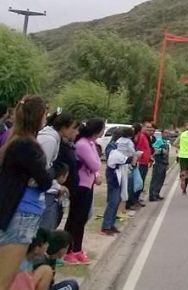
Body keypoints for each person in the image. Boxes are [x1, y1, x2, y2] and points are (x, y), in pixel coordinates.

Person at [0, 95, 51, 289]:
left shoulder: (14, 141)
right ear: (38, 116)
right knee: (5, 280)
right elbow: (45, 181)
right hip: (21, 215)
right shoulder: (27, 145)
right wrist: (44, 176)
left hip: (16, 213)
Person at [62, 118, 104, 265]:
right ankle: (68, 251)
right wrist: (96, 170)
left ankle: (77, 249)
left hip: (88, 184)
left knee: (82, 218)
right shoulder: (83, 145)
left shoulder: (90, 143)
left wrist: (96, 173)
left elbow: (95, 165)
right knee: (76, 219)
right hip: (80, 185)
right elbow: (95, 163)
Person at [37, 111, 78, 231]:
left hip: (47, 188)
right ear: (64, 127)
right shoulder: (50, 140)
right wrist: (57, 186)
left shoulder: (55, 138)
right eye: (73, 128)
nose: (75, 132)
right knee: (45, 229)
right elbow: (42, 169)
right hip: (43, 192)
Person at [103, 127, 139, 236]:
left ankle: (111, 224)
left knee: (118, 200)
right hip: (113, 175)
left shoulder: (116, 145)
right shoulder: (111, 146)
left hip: (120, 173)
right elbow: (113, 159)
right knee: (113, 201)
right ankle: (106, 226)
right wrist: (128, 159)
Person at [132, 120, 154, 207]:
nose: (149, 129)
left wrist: (150, 158)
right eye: (147, 127)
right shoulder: (141, 136)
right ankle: (134, 200)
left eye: (150, 127)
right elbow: (137, 148)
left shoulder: (146, 137)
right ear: (143, 128)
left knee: (141, 182)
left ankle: (137, 199)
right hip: (140, 163)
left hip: (145, 162)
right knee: (138, 182)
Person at [148, 130, 169, 202]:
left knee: (161, 179)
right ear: (162, 133)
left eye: (168, 133)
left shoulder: (165, 142)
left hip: (164, 163)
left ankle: (157, 193)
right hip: (158, 163)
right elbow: (153, 149)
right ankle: (152, 195)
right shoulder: (159, 141)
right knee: (156, 179)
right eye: (165, 133)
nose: (167, 134)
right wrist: (161, 150)